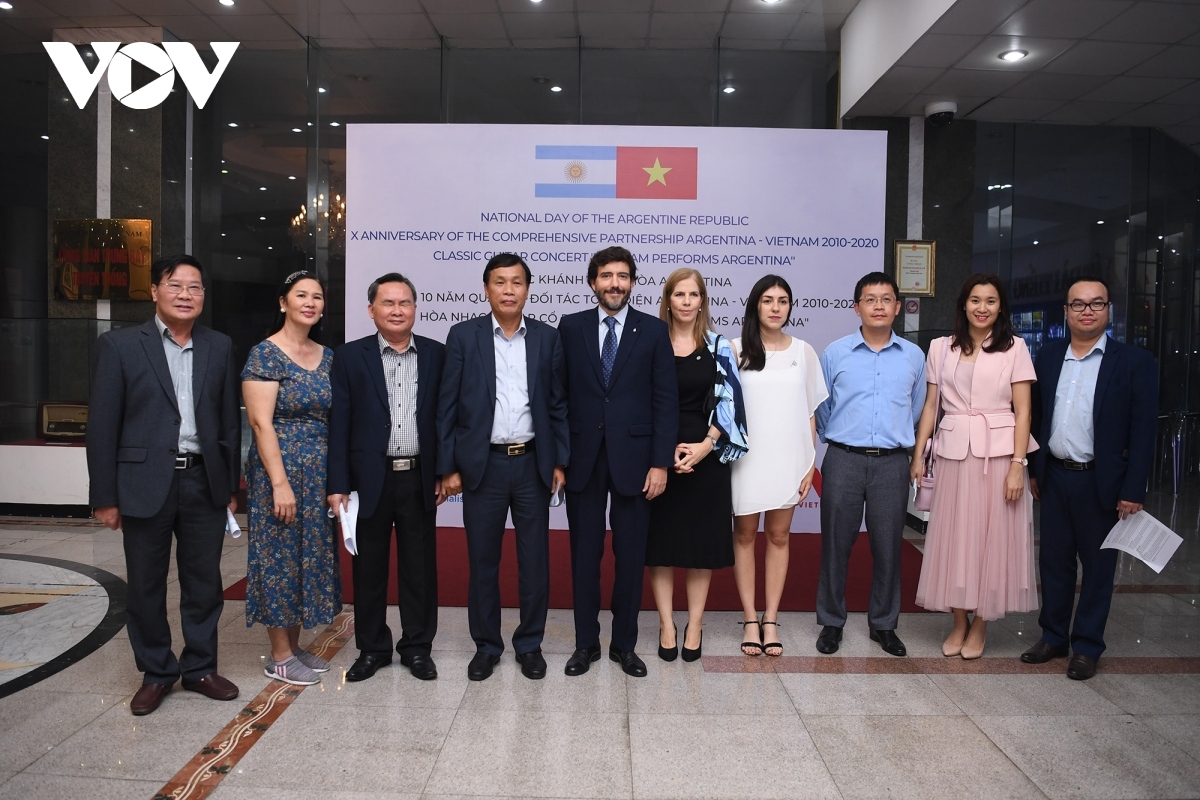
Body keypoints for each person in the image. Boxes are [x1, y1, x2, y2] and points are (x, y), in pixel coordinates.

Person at [87, 254, 241, 716]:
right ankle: (156, 672)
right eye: (176, 285)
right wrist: (104, 497)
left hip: (203, 480)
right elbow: (101, 425)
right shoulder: (119, 346)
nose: (185, 295)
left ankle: (199, 667)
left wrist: (230, 483)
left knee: (203, 582)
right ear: (155, 290)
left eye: (195, 288)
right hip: (142, 482)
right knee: (147, 585)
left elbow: (228, 424)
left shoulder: (220, 345)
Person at [437, 253, 569, 682]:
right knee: (483, 562)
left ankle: (530, 645)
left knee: (535, 563)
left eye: (516, 283)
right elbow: (448, 406)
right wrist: (449, 466)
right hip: (483, 467)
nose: (509, 290)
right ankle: (487, 646)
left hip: (532, 464)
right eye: (500, 282)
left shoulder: (548, 339)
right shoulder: (463, 336)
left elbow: (558, 406)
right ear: (486, 288)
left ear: (528, 289)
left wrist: (560, 461)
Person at [1022, 276, 1157, 680]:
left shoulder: (1134, 362)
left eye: (1096, 304)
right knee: (1054, 563)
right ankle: (1053, 636)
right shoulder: (1046, 356)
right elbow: (1036, 418)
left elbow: (1144, 431)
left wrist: (1134, 489)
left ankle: (1086, 646)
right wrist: (1033, 467)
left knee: (1098, 569)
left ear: (1108, 310)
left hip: (1103, 483)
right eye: (1078, 304)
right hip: (1055, 476)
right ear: (1065, 312)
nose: (1087, 311)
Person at [558, 246, 679, 677]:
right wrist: (559, 457)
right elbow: (559, 396)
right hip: (583, 461)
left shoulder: (652, 331)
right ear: (593, 282)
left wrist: (660, 463)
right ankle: (585, 644)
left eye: (623, 276)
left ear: (632, 282)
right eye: (606, 276)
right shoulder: (570, 328)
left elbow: (666, 402)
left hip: (637, 462)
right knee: (584, 556)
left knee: (630, 558)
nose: (615, 283)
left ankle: (624, 645)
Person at [911, 274, 1038, 660]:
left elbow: (1024, 410)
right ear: (963, 305)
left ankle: (981, 622)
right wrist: (918, 455)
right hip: (952, 454)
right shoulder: (939, 348)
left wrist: (1019, 464)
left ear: (1001, 308)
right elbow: (931, 406)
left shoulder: (1014, 348)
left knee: (991, 541)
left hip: (998, 457)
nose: (982, 308)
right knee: (954, 539)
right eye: (975, 300)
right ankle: (959, 620)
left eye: (991, 301)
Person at [327, 273, 447, 682]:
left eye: (405, 303)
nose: (397, 310)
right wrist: (338, 484)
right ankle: (372, 648)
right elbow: (339, 423)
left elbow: (446, 420)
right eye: (388, 303)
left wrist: (445, 472)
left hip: (418, 477)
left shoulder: (436, 354)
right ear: (371, 310)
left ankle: (417, 647)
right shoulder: (348, 357)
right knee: (369, 569)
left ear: (415, 308)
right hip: (367, 482)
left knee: (420, 568)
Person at [814, 271, 926, 657]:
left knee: (888, 546)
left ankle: (884, 625)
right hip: (843, 458)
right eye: (870, 299)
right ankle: (831, 622)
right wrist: (843, 438)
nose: (878, 306)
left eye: (886, 299)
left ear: (897, 307)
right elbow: (823, 408)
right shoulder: (835, 353)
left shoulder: (914, 356)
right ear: (856, 306)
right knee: (835, 544)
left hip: (891, 464)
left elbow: (916, 409)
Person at [242, 271, 342, 686]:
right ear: (283, 302)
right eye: (301, 295)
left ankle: (295, 647)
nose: (310, 302)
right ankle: (280, 656)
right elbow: (261, 424)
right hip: (277, 470)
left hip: (318, 471)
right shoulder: (264, 354)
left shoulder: (328, 355)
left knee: (309, 557)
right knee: (279, 557)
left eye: (317, 297)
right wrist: (280, 483)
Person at [647, 268, 748, 663]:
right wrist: (663, 451)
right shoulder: (652, 343)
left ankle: (695, 623)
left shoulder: (720, 345)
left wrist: (705, 447)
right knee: (660, 547)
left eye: (694, 294)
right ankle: (667, 624)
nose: (687, 301)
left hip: (707, 458)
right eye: (679, 294)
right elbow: (641, 401)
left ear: (703, 300)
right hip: (659, 458)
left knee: (700, 548)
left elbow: (732, 404)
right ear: (668, 300)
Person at [731, 275, 827, 657]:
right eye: (768, 300)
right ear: (756, 305)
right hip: (745, 459)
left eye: (783, 301)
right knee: (743, 537)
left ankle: (771, 619)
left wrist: (809, 464)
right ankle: (749, 619)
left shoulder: (803, 352)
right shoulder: (735, 349)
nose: (775, 307)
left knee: (779, 537)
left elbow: (809, 414)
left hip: (790, 458)